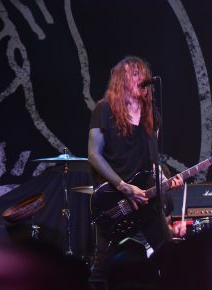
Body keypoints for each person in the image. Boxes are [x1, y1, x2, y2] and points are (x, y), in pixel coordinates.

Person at [87, 56, 183, 286]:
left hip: (146, 202)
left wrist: (163, 178)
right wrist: (123, 186)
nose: (142, 78)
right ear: (121, 80)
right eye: (134, 73)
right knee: (101, 269)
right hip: (115, 200)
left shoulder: (152, 115)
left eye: (143, 73)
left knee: (170, 259)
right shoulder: (104, 110)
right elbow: (94, 154)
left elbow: (153, 161)